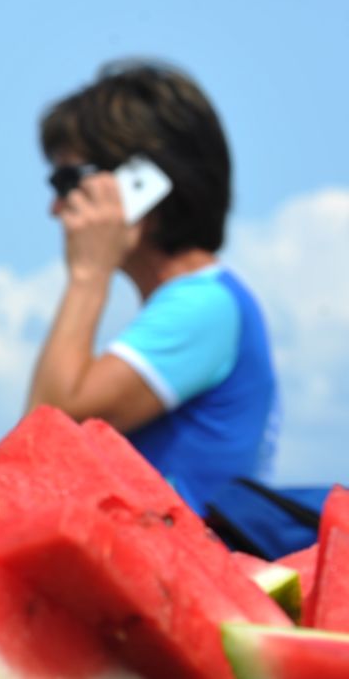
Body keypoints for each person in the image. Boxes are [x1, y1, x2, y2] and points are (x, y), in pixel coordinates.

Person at [27, 60, 279, 512]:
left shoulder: (203, 306)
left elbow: (46, 432)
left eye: (68, 181)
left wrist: (88, 276)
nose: (55, 207)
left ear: (141, 183)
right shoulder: (206, 300)